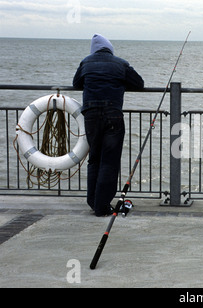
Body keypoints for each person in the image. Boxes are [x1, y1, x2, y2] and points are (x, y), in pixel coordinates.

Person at [73, 34, 144, 216]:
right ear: (110, 49)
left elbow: (76, 84)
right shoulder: (120, 64)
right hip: (113, 115)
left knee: (94, 159)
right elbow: (139, 83)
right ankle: (102, 205)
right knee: (110, 161)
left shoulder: (85, 63)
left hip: (91, 116)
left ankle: (93, 201)